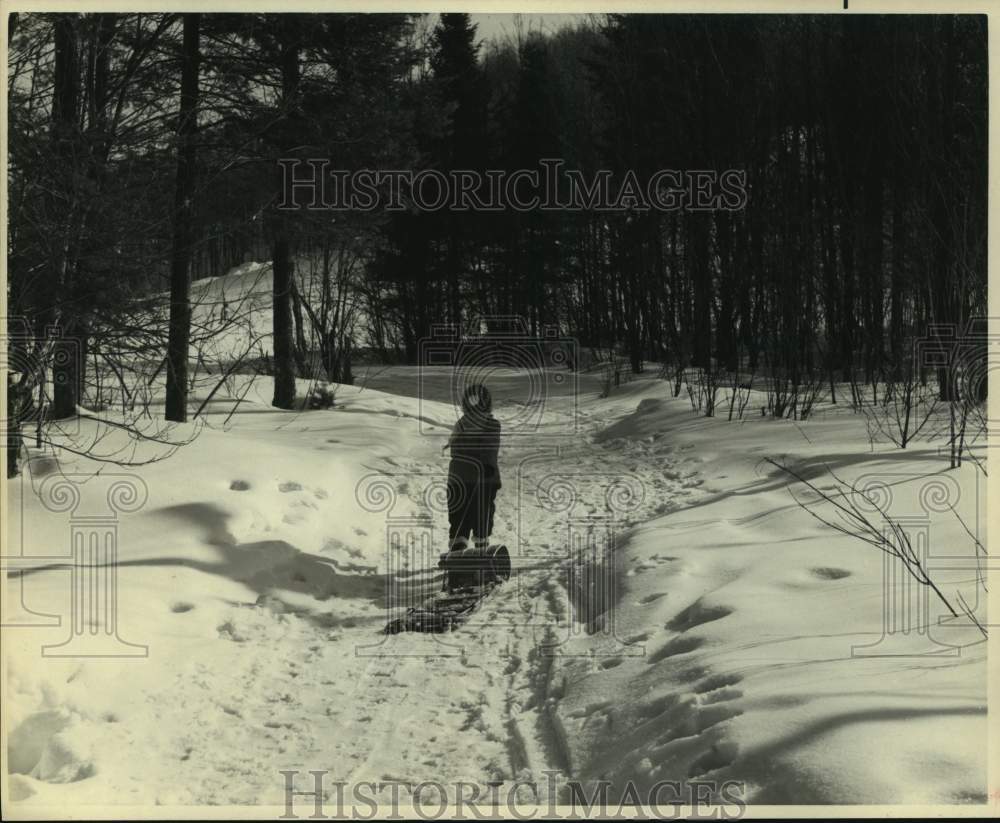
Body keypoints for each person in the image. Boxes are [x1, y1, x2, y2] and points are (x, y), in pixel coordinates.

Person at [443, 383, 501, 550]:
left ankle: (458, 546)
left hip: (458, 477)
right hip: (481, 478)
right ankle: (479, 548)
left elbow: (456, 449)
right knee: (481, 514)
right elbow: (490, 448)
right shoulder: (491, 424)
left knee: (459, 514)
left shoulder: (460, 424)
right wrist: (487, 466)